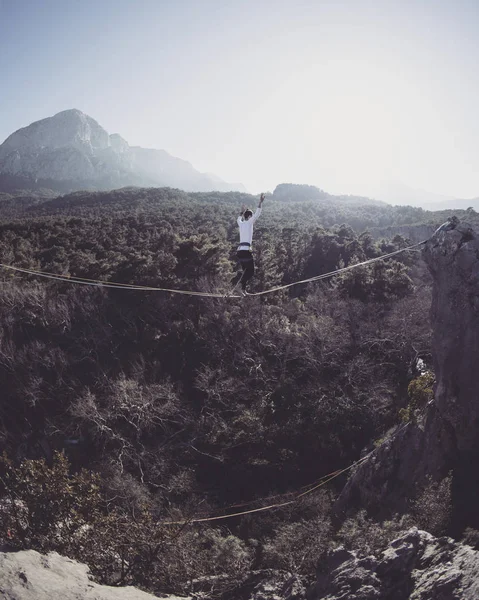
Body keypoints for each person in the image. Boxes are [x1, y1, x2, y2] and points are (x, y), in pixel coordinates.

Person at [231, 193, 265, 294]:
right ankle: (240, 287)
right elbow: (257, 213)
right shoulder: (250, 222)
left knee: (246, 271)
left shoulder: (241, 224)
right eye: (251, 216)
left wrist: (242, 211)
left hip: (240, 252)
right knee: (251, 272)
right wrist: (260, 202)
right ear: (249, 216)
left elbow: (238, 218)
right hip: (246, 252)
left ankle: (243, 290)